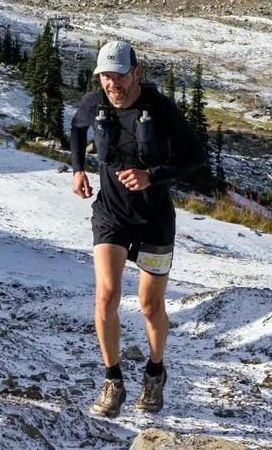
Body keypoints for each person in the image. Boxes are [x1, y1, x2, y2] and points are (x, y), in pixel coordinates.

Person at [70, 40, 207, 417]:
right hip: (111, 216)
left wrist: (153, 176)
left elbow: (197, 157)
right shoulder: (93, 103)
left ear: (137, 73)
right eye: (105, 76)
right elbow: (78, 128)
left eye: (119, 76)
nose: (112, 84)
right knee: (106, 297)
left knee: (149, 306)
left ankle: (155, 370)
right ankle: (113, 379)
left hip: (155, 221)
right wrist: (79, 168)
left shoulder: (159, 108)